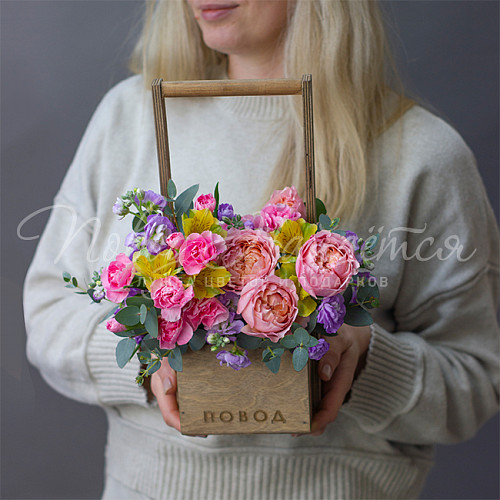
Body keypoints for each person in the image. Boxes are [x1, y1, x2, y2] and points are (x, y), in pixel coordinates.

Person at [23, 1, 499, 499]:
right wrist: (150, 359)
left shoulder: (421, 152)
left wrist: (363, 359)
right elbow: (49, 312)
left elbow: (474, 382)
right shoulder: (130, 117)